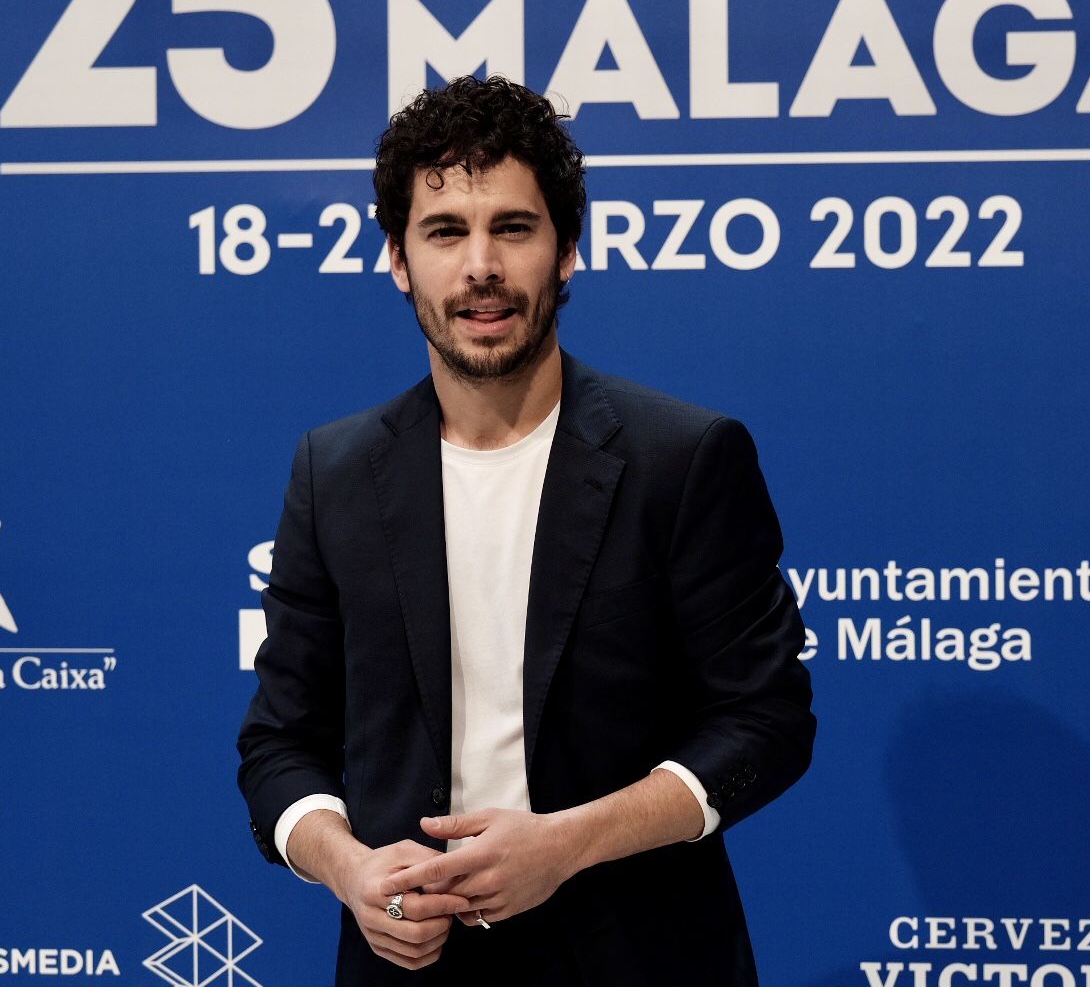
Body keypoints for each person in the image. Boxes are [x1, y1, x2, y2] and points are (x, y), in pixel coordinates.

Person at [236, 75, 815, 985]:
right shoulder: (334, 472)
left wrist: (567, 844)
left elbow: (768, 722)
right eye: (444, 232)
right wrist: (352, 871)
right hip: (408, 963)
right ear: (398, 258)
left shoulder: (684, 457)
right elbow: (278, 744)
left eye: (512, 227)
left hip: (642, 958)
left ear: (566, 251)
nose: (481, 268)